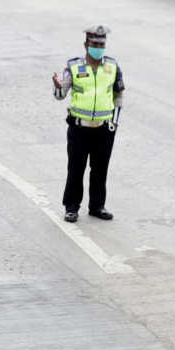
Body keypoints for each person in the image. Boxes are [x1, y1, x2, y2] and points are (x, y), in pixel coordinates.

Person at [52, 25, 123, 223]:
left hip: (103, 128)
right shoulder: (74, 67)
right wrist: (57, 86)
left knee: (100, 169)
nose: (98, 47)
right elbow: (60, 95)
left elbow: (119, 94)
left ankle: (97, 206)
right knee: (76, 168)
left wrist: (114, 123)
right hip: (79, 128)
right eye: (95, 44)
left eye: (102, 44)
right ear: (86, 45)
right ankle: (71, 207)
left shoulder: (112, 67)